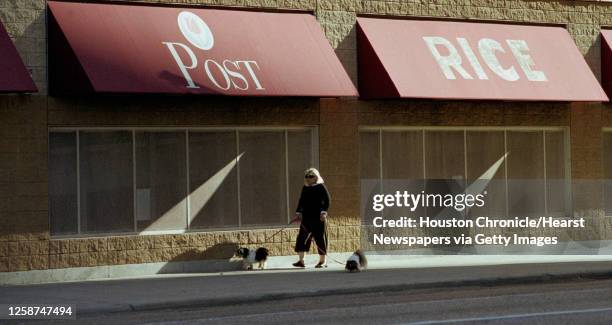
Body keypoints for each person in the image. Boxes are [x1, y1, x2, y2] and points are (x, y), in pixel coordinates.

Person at [292, 168, 331, 268]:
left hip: (318, 218)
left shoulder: (321, 187)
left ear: (316, 177)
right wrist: (298, 212)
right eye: (306, 176)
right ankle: (301, 261)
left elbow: (327, 200)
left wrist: (323, 212)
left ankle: (322, 261)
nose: (308, 178)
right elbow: (301, 200)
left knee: (320, 238)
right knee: (302, 238)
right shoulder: (305, 188)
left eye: (311, 176)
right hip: (306, 218)